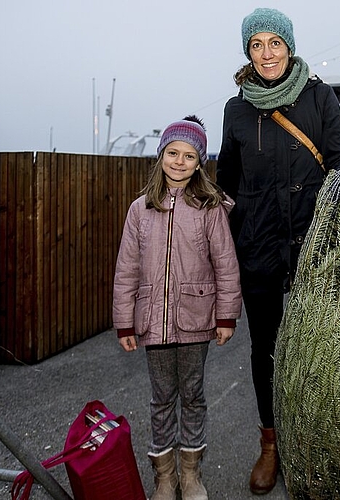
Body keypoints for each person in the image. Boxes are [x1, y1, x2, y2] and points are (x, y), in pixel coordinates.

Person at [215, 7, 340, 495]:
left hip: (314, 246)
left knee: (322, 346)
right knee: (265, 348)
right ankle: (270, 444)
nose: (267, 53)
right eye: (257, 45)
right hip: (259, 244)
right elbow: (226, 179)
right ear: (247, 52)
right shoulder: (235, 109)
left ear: (289, 46)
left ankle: (317, 439)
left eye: (275, 43)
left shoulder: (319, 96)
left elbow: (338, 163)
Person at [113, 116, 242, 500]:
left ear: (200, 162)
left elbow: (225, 263)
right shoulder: (140, 209)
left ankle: (190, 474)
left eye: (189, 156)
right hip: (154, 322)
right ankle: (164, 477)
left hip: (195, 319)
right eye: (173, 153)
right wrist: (124, 323)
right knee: (161, 398)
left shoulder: (209, 207)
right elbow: (126, 269)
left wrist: (226, 315)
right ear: (161, 155)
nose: (180, 162)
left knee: (193, 394)